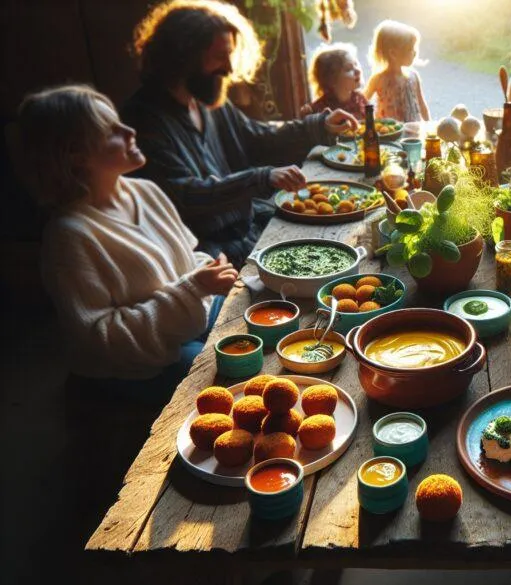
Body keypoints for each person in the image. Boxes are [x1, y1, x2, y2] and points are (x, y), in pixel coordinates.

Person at [18, 85, 238, 402]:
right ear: (76, 156)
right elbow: (101, 338)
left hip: (186, 323)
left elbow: (188, 260)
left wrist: (208, 272)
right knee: (227, 377)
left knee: (256, 315)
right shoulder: (69, 237)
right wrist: (194, 289)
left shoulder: (145, 191)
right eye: (111, 131)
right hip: (132, 366)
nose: (129, 131)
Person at [121, 0, 357, 266]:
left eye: (230, 56)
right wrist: (261, 177)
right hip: (208, 252)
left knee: (339, 238)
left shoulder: (206, 101)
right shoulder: (143, 120)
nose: (229, 69)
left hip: (246, 224)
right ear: (184, 56)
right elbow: (183, 195)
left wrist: (319, 125)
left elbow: (258, 137)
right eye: (220, 57)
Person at [364, 20, 430, 122]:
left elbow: (421, 104)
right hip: (388, 133)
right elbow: (362, 101)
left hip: (413, 130)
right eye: (410, 49)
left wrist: (428, 125)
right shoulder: (378, 79)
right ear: (393, 53)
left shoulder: (413, 76)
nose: (415, 52)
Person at [300, 42, 368, 118]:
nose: (357, 70)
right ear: (331, 80)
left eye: (356, 64)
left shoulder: (360, 99)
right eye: (348, 69)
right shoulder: (320, 109)